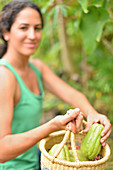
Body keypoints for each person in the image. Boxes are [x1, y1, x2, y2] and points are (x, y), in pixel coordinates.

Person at [0, 0, 111, 169]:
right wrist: (52, 126)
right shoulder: (4, 76)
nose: (32, 35)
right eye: (24, 28)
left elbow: (72, 94)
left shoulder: (36, 67)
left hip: (36, 161)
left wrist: (93, 114)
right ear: (6, 33)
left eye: (37, 28)